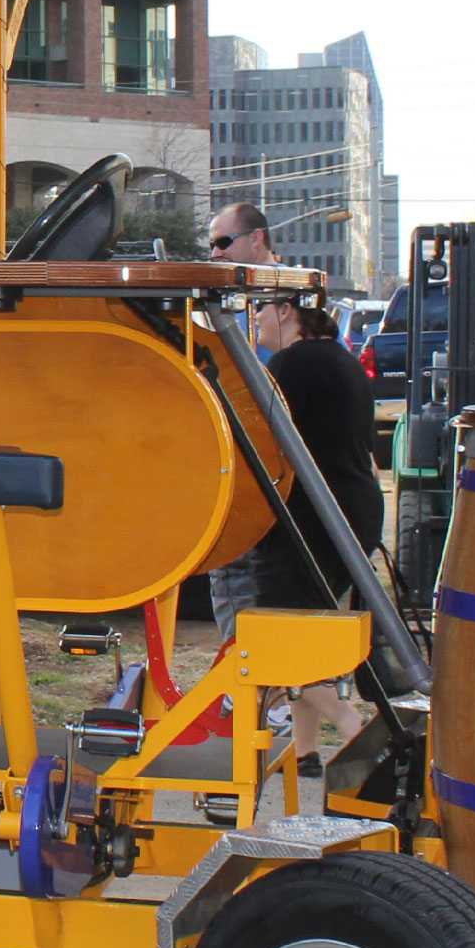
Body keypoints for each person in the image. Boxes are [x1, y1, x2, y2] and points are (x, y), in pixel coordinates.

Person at [248, 296, 384, 774]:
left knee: (281, 637)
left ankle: (360, 734)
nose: (255, 319)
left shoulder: (292, 363)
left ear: (287, 311)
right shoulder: (343, 359)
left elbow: (259, 437)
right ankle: (305, 751)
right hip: (355, 508)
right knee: (304, 627)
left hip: (309, 520)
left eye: (260, 309)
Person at [203, 202, 279, 641]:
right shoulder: (226, 300)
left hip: (268, 461)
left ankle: (256, 685)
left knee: (248, 578)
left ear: (257, 239)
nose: (215, 253)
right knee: (233, 577)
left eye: (223, 242)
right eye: (211, 244)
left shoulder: (286, 301)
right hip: (236, 455)